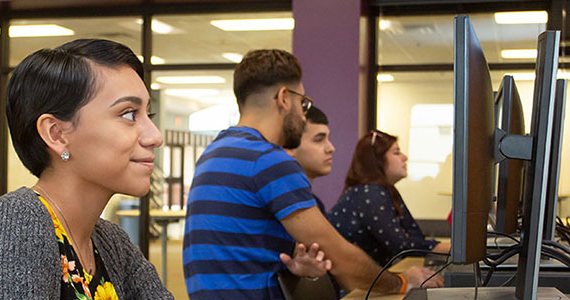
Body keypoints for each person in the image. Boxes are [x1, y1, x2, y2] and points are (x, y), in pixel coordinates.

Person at [182, 49, 443, 300]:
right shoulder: (267, 159)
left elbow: (241, 249)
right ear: (284, 98)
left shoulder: (213, 154)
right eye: (303, 102)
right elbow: (343, 261)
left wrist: (293, 261)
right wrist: (403, 281)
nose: (303, 113)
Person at [0, 39, 174, 299]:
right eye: (129, 114)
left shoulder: (110, 241)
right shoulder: (15, 223)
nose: (155, 136)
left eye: (149, 115)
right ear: (56, 134)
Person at [328, 130, 450, 267]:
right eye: (396, 152)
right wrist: (450, 248)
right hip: (354, 283)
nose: (404, 157)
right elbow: (402, 246)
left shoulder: (387, 191)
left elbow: (415, 237)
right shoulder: (370, 193)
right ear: (377, 160)